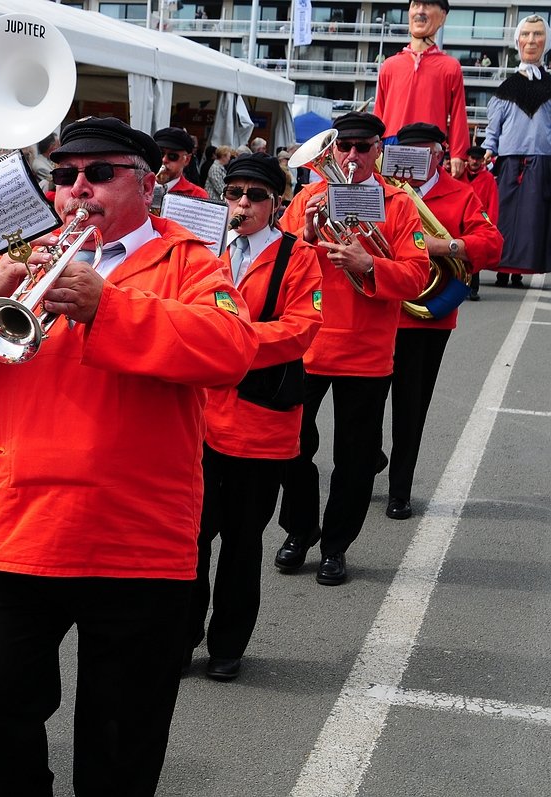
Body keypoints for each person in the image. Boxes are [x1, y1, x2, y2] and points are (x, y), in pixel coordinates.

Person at [0, 116, 258, 796]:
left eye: (99, 173)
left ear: (147, 182)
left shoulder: (188, 257)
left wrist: (110, 306)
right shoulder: (27, 248)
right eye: (65, 175)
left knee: (123, 741)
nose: (77, 188)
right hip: (21, 527)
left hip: (139, 537)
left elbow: (231, 347)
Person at [274, 112, 429, 586]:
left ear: (378, 149)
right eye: (345, 147)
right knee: (292, 447)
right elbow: (276, 260)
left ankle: (336, 545)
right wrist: (305, 240)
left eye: (364, 147)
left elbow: (419, 275)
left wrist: (370, 263)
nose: (352, 156)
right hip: (308, 345)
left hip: (366, 352)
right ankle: (300, 530)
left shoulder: (400, 204)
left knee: (356, 458)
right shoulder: (308, 198)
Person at [186, 153, 323, 681]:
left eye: (256, 196)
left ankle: (227, 646)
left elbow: (303, 327)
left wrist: (233, 342)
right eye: (234, 193)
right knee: (192, 540)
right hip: (200, 419)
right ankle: (182, 636)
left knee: (243, 546)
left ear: (276, 203)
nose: (243, 203)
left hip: (260, 426)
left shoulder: (298, 256)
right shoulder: (204, 249)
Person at [384, 123, 503, 520]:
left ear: (439, 154)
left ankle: (399, 489)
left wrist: (445, 245)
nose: (412, 159)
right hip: (379, 312)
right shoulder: (382, 189)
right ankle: (365, 460)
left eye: (422, 151)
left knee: (411, 407)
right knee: (361, 405)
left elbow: (492, 243)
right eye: (406, 151)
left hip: (425, 319)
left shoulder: (460, 193)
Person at [483, 14, 550, 288]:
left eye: (538, 34)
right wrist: (489, 148)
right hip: (509, 160)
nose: (531, 41)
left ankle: (521, 269)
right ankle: (501, 267)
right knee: (505, 216)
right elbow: (493, 126)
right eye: (526, 34)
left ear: (547, 42)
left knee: (534, 219)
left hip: (543, 162)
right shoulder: (506, 88)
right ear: (517, 41)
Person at [375, 0, 470, 177]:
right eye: (416, 5)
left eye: (427, 5)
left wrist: (458, 153)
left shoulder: (450, 67)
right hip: (392, 142)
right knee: (392, 201)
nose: (420, 11)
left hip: (430, 144)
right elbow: (379, 111)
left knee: (425, 201)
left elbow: (458, 114)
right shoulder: (389, 65)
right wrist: (373, 145)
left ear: (442, 16)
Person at [458, 145, 499, 299]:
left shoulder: (488, 178)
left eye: (478, 159)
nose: (475, 161)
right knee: (456, 255)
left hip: (478, 221)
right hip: (459, 218)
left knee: (474, 254)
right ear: (467, 159)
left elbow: (493, 203)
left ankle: (473, 289)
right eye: (472, 158)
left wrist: (491, 224)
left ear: (483, 160)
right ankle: (459, 287)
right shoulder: (459, 175)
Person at [152, 126, 208, 210]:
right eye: (160, 153)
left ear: (186, 160)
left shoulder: (198, 195)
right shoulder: (139, 187)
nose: (164, 160)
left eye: (172, 156)